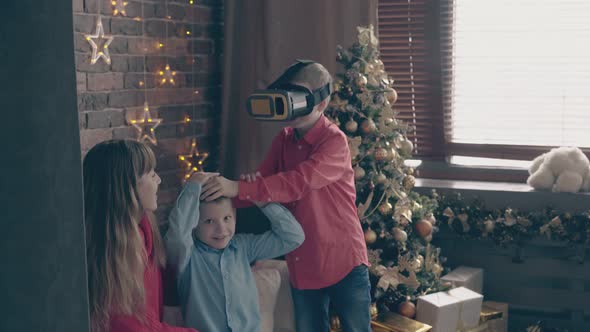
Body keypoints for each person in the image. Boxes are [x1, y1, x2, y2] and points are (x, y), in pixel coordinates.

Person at [200, 62, 371, 332]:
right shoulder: (284, 139)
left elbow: (298, 182)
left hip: (343, 260)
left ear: (321, 102)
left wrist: (237, 188)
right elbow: (262, 187)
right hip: (302, 262)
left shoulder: (334, 142)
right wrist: (220, 194)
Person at [165, 172, 305, 332]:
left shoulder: (243, 247)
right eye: (209, 221)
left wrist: (257, 197)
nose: (221, 229)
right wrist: (193, 186)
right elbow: (177, 234)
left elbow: (293, 237)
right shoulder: (188, 256)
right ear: (194, 225)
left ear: (235, 217)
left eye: (227, 218)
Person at [83, 139, 197, 332]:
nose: (159, 180)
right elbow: (130, 324)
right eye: (152, 174)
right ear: (127, 185)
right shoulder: (113, 252)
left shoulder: (144, 229)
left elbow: (164, 270)